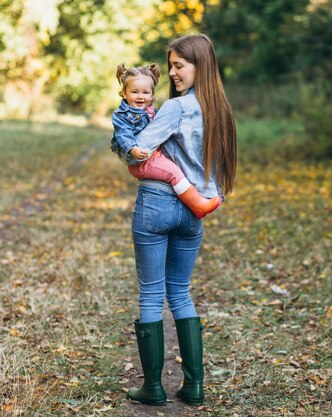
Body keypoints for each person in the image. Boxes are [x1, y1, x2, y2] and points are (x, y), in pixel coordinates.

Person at [126, 34, 237, 406]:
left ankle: (153, 389)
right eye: (170, 65)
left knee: (152, 294)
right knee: (181, 292)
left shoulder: (176, 108)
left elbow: (137, 154)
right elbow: (218, 171)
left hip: (158, 205)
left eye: (179, 65)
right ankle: (194, 386)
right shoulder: (219, 109)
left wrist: (128, 146)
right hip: (194, 210)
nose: (172, 73)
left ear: (199, 66)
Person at [111, 63, 222, 219]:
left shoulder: (152, 110)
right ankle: (197, 204)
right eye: (134, 92)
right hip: (142, 160)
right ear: (124, 93)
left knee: (177, 167)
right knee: (173, 172)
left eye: (145, 92)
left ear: (152, 95)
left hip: (154, 156)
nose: (140, 96)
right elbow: (123, 134)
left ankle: (194, 199)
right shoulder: (121, 115)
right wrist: (133, 149)